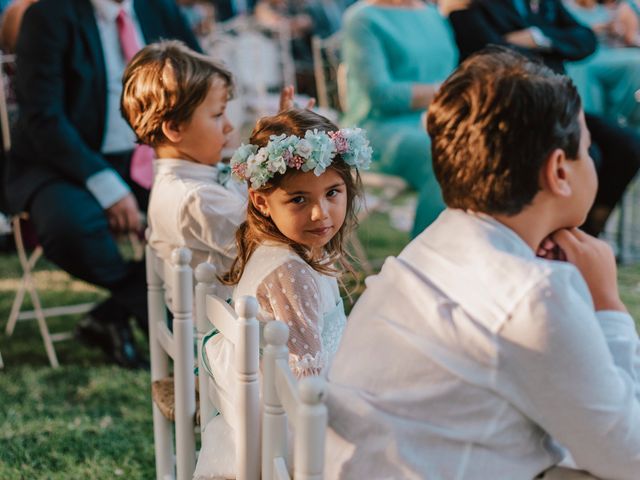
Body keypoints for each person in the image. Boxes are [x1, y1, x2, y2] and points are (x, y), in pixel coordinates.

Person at [325, 47, 640, 479]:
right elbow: (628, 455)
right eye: (586, 151)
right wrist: (609, 304)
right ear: (559, 172)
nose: (592, 161)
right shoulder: (533, 293)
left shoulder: (439, 237)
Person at [4, 0, 200, 368]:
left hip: (149, 157)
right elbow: (43, 117)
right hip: (61, 161)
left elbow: (201, 81)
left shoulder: (161, 10)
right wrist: (108, 188)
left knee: (203, 216)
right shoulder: (48, 16)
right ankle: (148, 304)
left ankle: (110, 317)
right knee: (71, 227)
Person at [194, 108, 370, 479]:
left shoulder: (288, 249)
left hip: (273, 409)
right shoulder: (291, 272)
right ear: (261, 201)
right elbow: (306, 385)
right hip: (287, 433)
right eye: (299, 200)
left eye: (332, 192)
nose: (321, 213)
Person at [446, 0, 640, 237]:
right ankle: (555, 234)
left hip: (558, 105)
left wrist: (539, 38)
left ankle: (587, 231)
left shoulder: (547, 4)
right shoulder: (477, 6)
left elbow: (586, 40)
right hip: (514, 111)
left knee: (629, 145)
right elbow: (492, 52)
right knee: (587, 155)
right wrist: (553, 47)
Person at [121, 40, 247, 299]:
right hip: (244, 329)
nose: (229, 126)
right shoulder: (197, 199)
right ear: (175, 128)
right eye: (218, 115)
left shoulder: (181, 182)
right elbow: (277, 244)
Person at [341, 0, 458, 237]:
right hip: (377, 129)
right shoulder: (363, 19)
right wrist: (447, 91)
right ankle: (426, 259)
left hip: (440, 119)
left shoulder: (433, 15)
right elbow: (383, 95)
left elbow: (454, 72)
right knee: (444, 154)